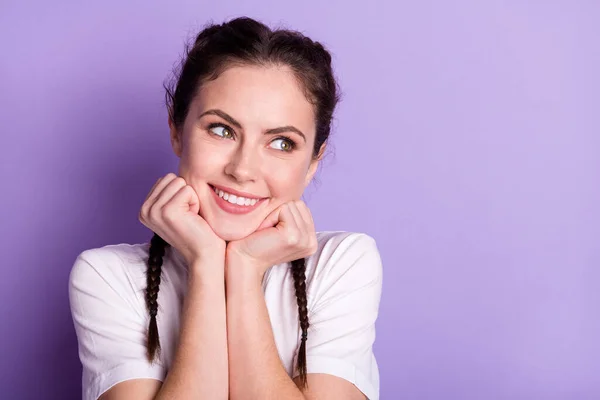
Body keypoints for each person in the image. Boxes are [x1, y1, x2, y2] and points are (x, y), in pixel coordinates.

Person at [68, 16, 383, 400]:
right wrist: (206, 264)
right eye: (222, 130)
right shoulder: (107, 277)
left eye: (282, 143)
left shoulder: (342, 263)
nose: (243, 169)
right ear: (176, 131)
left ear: (312, 163)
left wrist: (245, 269)